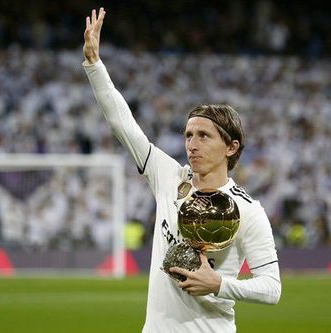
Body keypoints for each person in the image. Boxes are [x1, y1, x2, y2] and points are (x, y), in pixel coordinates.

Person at [82, 8, 281, 332]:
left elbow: (272, 288)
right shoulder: (169, 176)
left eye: (204, 136)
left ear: (231, 147)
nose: (192, 144)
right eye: (189, 135)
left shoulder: (248, 210)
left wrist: (219, 284)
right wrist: (94, 66)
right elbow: (123, 125)